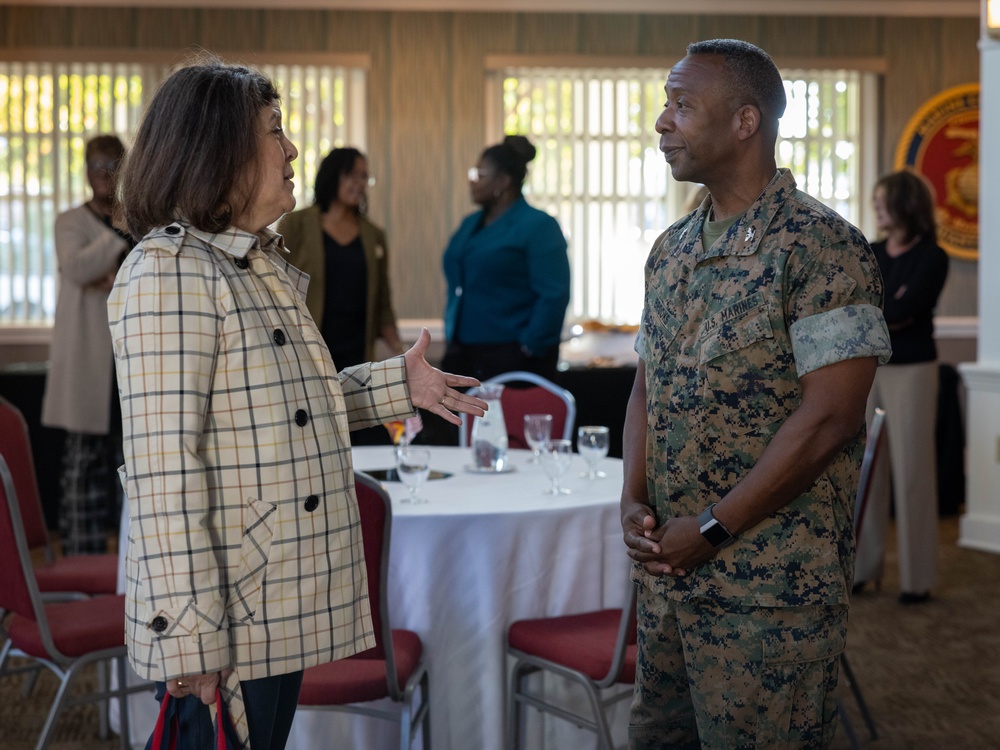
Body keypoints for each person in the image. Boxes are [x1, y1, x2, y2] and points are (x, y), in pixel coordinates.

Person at [108, 58, 485, 750]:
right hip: (225, 612)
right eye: (275, 132)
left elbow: (291, 411)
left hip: (268, 601)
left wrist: (401, 386)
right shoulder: (169, 271)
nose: (292, 150)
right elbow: (163, 473)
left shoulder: (250, 264)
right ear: (215, 150)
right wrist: (189, 637)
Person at [619, 39, 892, 749]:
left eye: (682, 105)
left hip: (769, 598)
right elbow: (647, 385)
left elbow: (830, 417)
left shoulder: (820, 246)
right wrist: (632, 500)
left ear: (746, 122)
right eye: (665, 104)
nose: (662, 122)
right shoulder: (671, 250)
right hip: (671, 586)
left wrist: (710, 528)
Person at [854, 170, 949, 604]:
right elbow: (861, 305)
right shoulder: (871, 252)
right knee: (865, 473)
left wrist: (882, 309)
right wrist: (887, 309)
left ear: (905, 204)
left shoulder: (933, 256)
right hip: (871, 367)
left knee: (913, 473)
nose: (876, 208)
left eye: (882, 200)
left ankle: (917, 579)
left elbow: (908, 308)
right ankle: (864, 568)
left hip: (913, 369)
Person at [41, 134, 133, 555]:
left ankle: (123, 570)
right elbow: (78, 268)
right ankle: (82, 562)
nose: (104, 174)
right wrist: (117, 232)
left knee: (128, 470)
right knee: (82, 471)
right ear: (85, 169)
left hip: (131, 364)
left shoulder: (140, 221)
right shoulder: (70, 222)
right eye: (97, 165)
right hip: (87, 367)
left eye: (113, 165)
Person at [279, 147, 403, 446]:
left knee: (362, 442)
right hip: (311, 351)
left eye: (364, 176)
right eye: (352, 174)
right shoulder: (296, 225)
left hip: (358, 356)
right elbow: (277, 286)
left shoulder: (373, 234)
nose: (359, 183)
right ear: (333, 175)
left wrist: (402, 353)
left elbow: (382, 302)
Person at [441, 134, 570, 383]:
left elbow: (554, 294)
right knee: (461, 423)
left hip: (513, 356)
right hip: (463, 352)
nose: (472, 182)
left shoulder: (538, 225)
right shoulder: (470, 224)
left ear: (503, 181)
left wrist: (528, 346)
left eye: (480, 174)